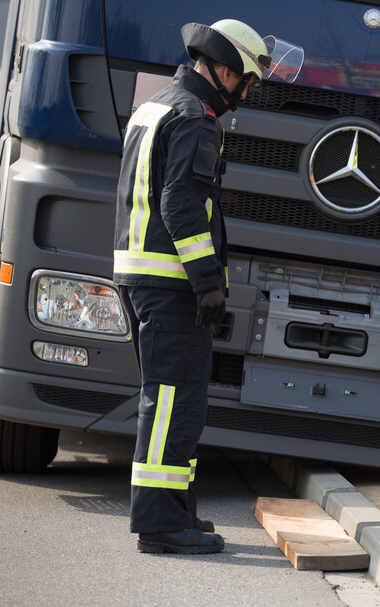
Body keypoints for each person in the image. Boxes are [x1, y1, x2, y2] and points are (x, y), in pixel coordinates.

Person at [114, 19, 303, 554]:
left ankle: (177, 510)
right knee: (174, 402)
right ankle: (159, 525)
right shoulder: (198, 120)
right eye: (246, 80)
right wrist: (207, 285)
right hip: (170, 283)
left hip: (140, 275)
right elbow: (180, 206)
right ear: (224, 69)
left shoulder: (158, 105)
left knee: (176, 398)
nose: (248, 91)